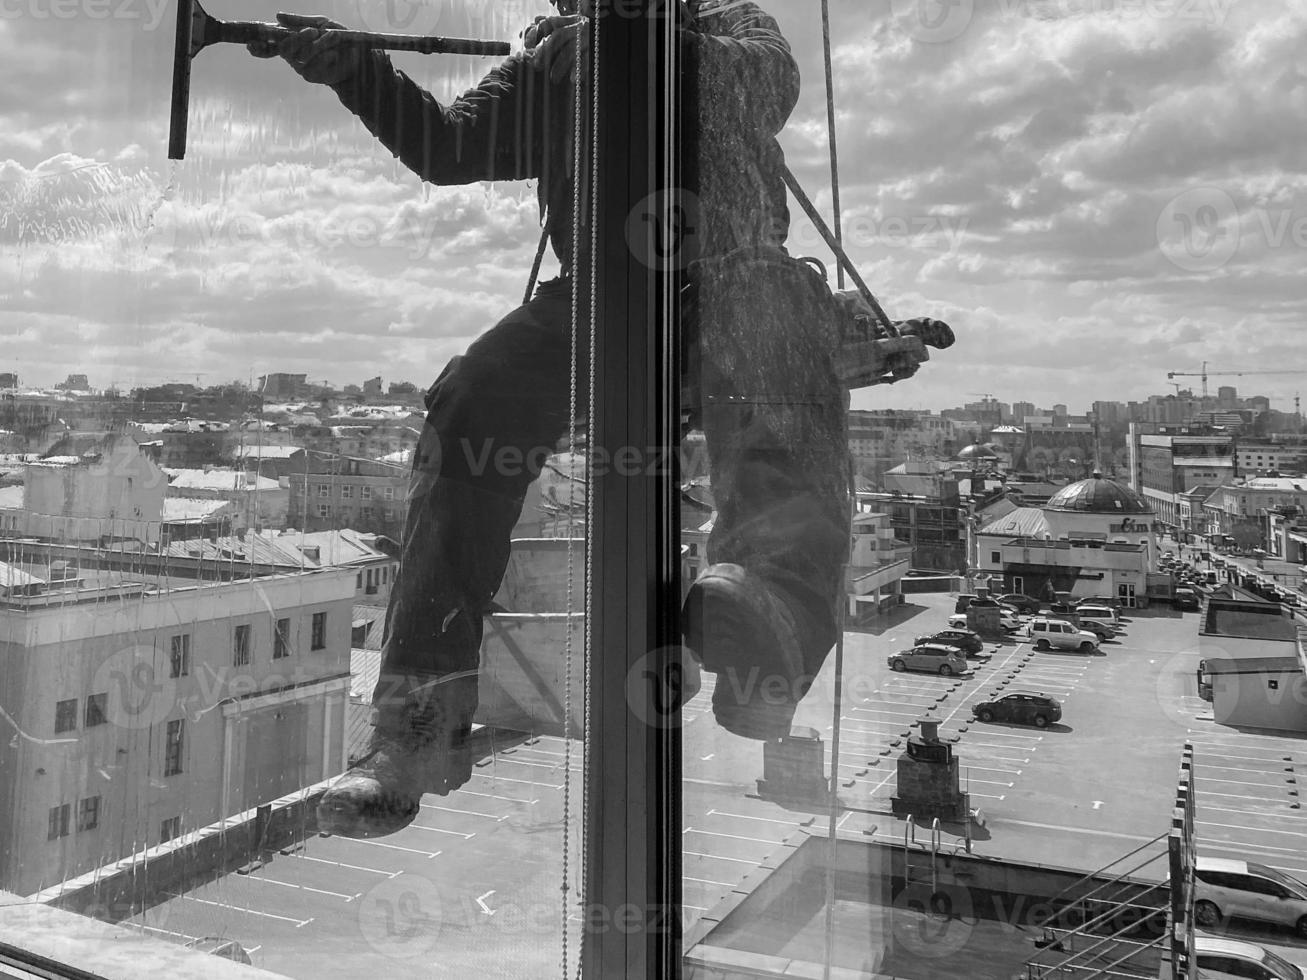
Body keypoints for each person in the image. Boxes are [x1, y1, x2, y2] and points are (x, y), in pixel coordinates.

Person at [252, 0, 948, 838]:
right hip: (602, 299)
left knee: (776, 345)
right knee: (474, 399)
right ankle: (417, 726)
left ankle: (771, 625)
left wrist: (629, 51)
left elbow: (766, 85)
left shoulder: (729, 25)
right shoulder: (549, 61)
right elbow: (449, 148)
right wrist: (358, 75)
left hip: (736, 280)